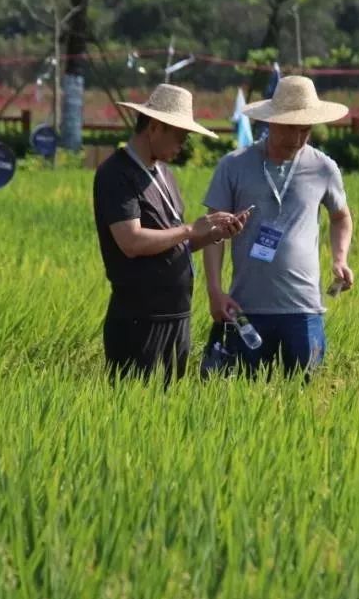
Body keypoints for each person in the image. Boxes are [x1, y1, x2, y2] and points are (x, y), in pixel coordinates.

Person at [93, 84, 246, 384]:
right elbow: (131, 241)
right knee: (134, 413)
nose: (183, 145)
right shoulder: (116, 173)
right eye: (180, 136)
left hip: (177, 318)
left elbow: (177, 243)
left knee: (166, 416)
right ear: (155, 127)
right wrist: (191, 228)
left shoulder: (163, 173)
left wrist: (215, 233)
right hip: (139, 321)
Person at [202, 75, 354, 376]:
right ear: (272, 121)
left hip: (304, 309)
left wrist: (340, 258)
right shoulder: (234, 165)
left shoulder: (324, 167)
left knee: (304, 398)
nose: (297, 139)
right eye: (290, 129)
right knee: (241, 398)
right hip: (246, 307)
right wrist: (214, 291)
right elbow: (212, 233)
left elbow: (341, 216)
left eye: (305, 130)